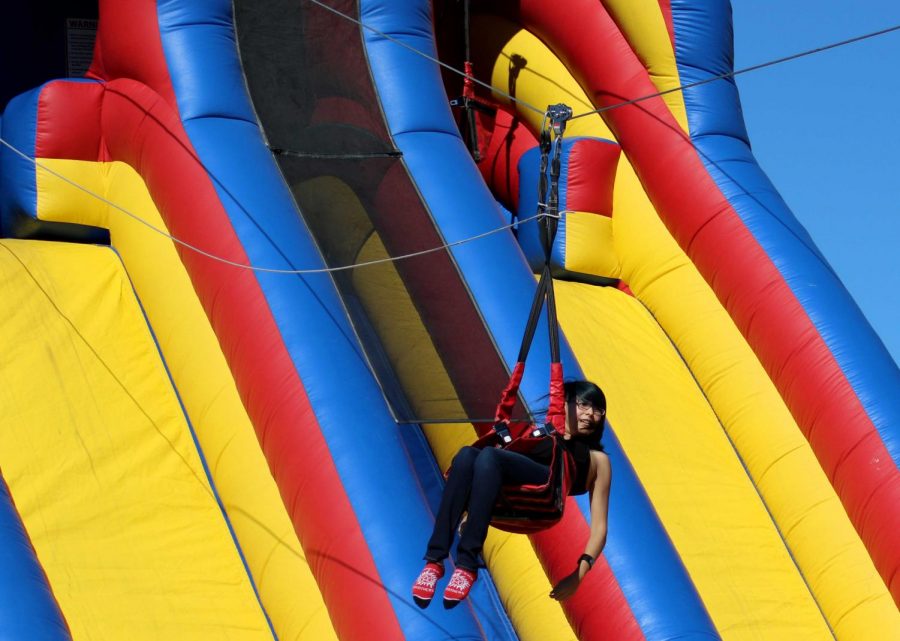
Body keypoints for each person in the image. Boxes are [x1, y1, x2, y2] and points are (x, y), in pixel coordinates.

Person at [412, 380, 612, 609]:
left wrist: (579, 574)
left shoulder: (598, 460)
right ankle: (434, 561)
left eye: (598, 409)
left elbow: (600, 529)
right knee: (467, 455)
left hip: (544, 500)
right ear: (562, 403)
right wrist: (472, 511)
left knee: (489, 456)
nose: (590, 414)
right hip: (510, 498)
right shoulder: (538, 433)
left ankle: (467, 564)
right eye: (583, 405)